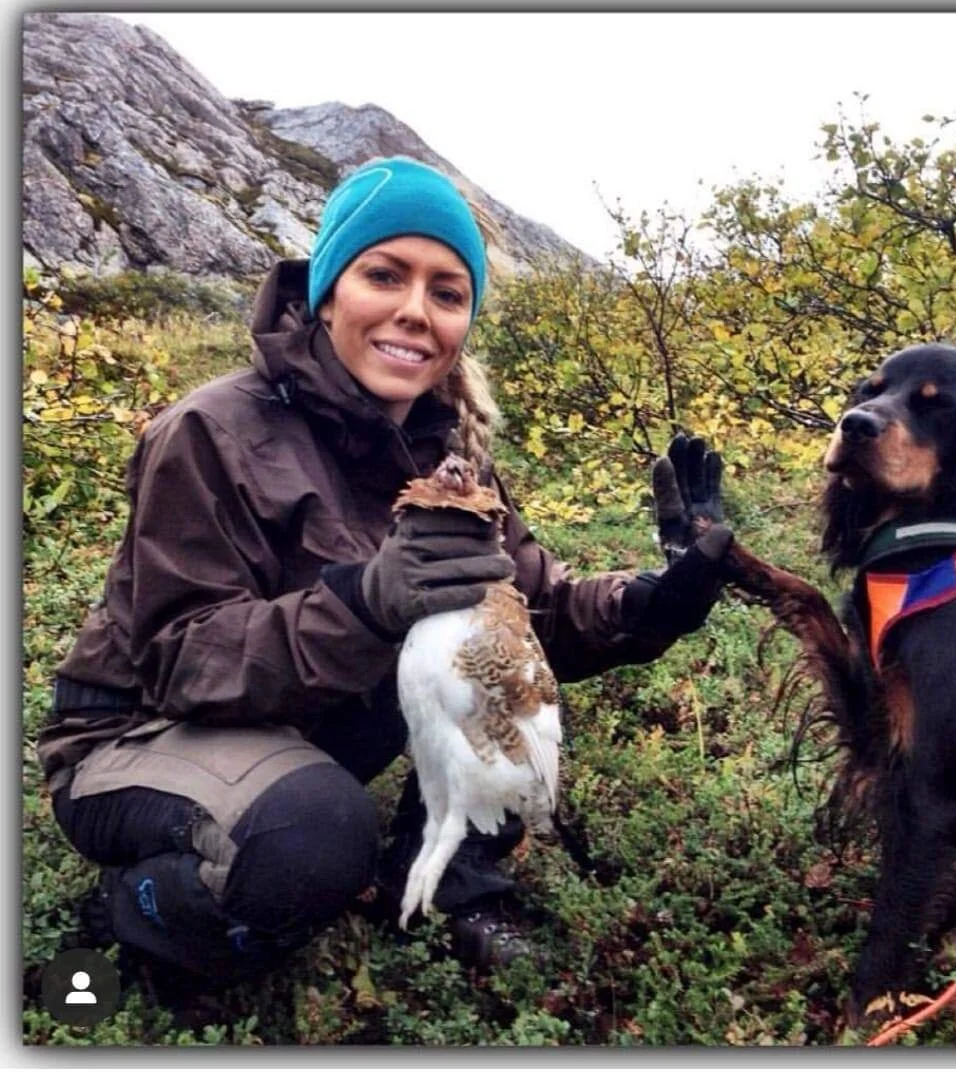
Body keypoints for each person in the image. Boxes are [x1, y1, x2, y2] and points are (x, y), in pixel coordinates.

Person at [37, 156, 734, 998]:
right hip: (137, 736)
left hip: (296, 721)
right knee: (311, 836)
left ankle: (448, 881)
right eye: (383, 275)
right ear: (328, 290)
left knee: (500, 667)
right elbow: (182, 658)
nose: (414, 309)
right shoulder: (211, 431)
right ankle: (139, 912)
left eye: (446, 291)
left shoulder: (449, 448)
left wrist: (648, 603)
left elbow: (532, 610)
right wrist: (366, 603)